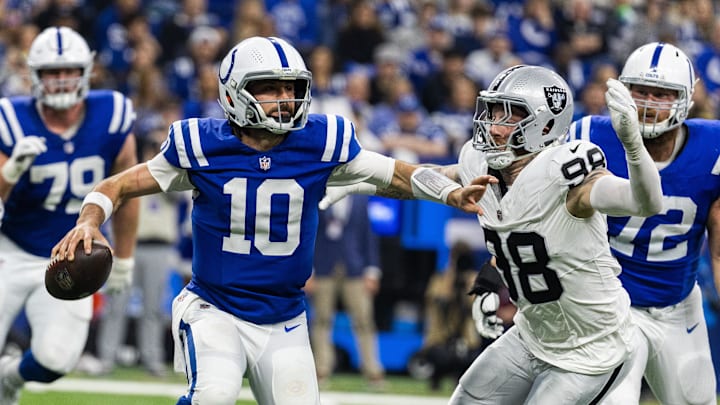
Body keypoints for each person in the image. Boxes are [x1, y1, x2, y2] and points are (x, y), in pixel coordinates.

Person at [50, 36, 489, 405]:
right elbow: (117, 186)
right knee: (214, 395)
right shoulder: (201, 146)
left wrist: (450, 191)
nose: (284, 100)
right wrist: (89, 222)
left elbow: (394, 174)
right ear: (232, 93)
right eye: (269, 89)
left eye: (291, 89)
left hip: (284, 316)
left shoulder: (321, 142)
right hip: (214, 306)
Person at [321, 64, 664, 403]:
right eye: (493, 111)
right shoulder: (480, 162)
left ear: (545, 124)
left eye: (510, 115)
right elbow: (428, 180)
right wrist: (361, 183)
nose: (494, 126)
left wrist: (633, 147)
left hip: (593, 349)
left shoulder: (569, 174)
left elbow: (644, 201)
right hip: (533, 335)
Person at [569, 41, 720, 405]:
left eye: (662, 93)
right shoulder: (588, 136)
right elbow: (541, 210)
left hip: (677, 305)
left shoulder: (713, 148)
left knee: (696, 401)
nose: (649, 102)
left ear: (684, 98)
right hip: (607, 308)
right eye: (640, 91)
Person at [0, 26, 138, 405]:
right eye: (51, 72)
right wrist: (10, 172)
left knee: (55, 359)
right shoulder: (11, 118)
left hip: (70, 254)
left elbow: (128, 188)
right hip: (9, 248)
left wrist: (124, 257)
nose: (61, 81)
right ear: (34, 75)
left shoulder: (111, 113)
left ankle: (9, 377)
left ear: (86, 71)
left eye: (69, 71)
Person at [306, 193, 385, 389]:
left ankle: (372, 371)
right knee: (321, 320)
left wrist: (372, 271)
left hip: (354, 267)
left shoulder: (359, 199)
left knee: (364, 321)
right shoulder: (319, 197)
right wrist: (308, 270)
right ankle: (321, 370)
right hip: (324, 267)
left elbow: (368, 234)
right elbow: (309, 233)